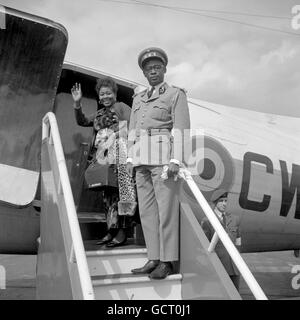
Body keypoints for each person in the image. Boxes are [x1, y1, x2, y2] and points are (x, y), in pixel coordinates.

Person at [127, 47, 190, 279]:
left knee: (166, 212)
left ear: (164, 69)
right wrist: (130, 157)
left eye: (156, 67)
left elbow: (182, 128)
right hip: (141, 159)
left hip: (163, 160)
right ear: (144, 73)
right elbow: (133, 129)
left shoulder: (175, 94)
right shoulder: (138, 98)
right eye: (148, 68)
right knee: (147, 212)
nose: (152, 71)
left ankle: (167, 261)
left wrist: (176, 159)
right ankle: (153, 258)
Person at [71, 77, 137, 248]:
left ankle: (122, 233)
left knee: (121, 194)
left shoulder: (121, 107)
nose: (106, 96)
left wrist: (114, 134)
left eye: (109, 93)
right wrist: (77, 104)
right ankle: (112, 230)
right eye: (102, 94)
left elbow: (133, 125)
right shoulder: (99, 114)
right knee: (108, 197)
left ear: (114, 94)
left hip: (120, 155)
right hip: (104, 159)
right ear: (99, 97)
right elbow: (82, 121)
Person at [201, 189, 242, 290]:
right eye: (221, 201)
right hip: (219, 266)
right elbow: (205, 245)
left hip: (234, 266)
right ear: (215, 202)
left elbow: (238, 241)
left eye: (226, 201)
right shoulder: (207, 221)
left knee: (235, 293)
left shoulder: (234, 219)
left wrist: (238, 258)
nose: (224, 204)